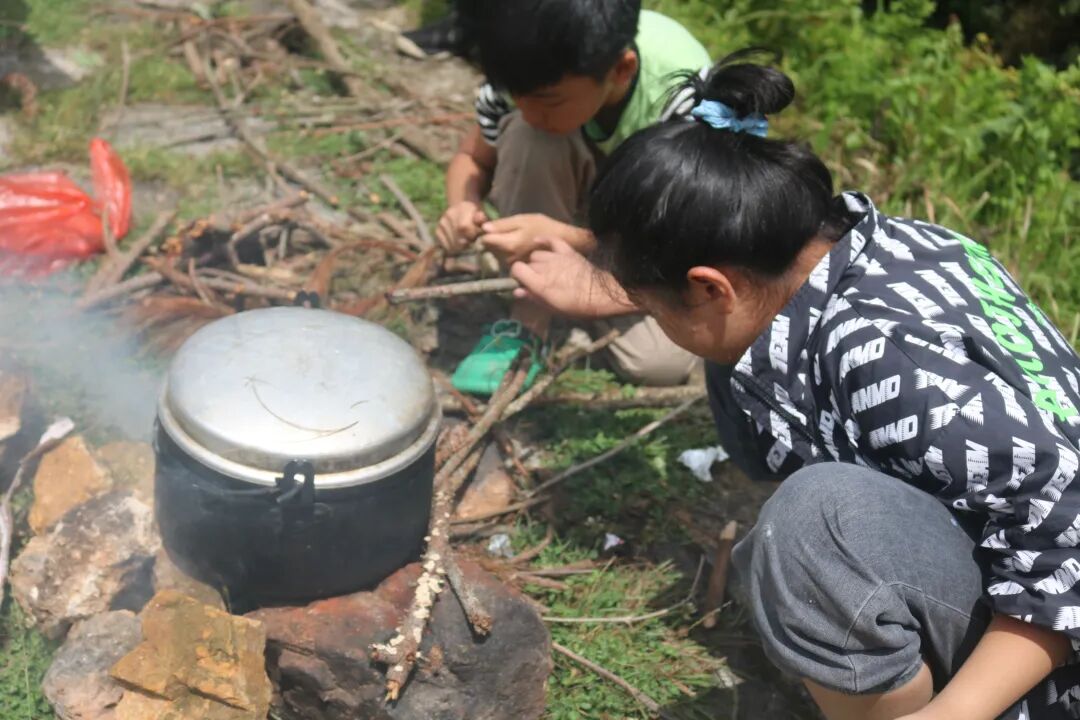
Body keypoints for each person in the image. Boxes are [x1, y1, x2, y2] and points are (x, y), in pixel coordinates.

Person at [512, 52, 1080, 720]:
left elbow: (1068, 537)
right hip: (997, 551)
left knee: (812, 527)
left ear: (710, 288)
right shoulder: (870, 250)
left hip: (1050, 646)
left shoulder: (883, 360)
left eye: (653, 309)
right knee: (774, 461)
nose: (654, 321)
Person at [436, 0, 707, 395]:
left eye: (550, 103)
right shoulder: (522, 67)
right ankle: (530, 316)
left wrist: (571, 240)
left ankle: (574, 284)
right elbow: (473, 158)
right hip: (584, 206)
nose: (530, 113)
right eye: (519, 99)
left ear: (622, 70)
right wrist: (463, 204)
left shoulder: (687, 98)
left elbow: (699, 237)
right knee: (531, 139)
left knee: (656, 362)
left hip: (664, 236)